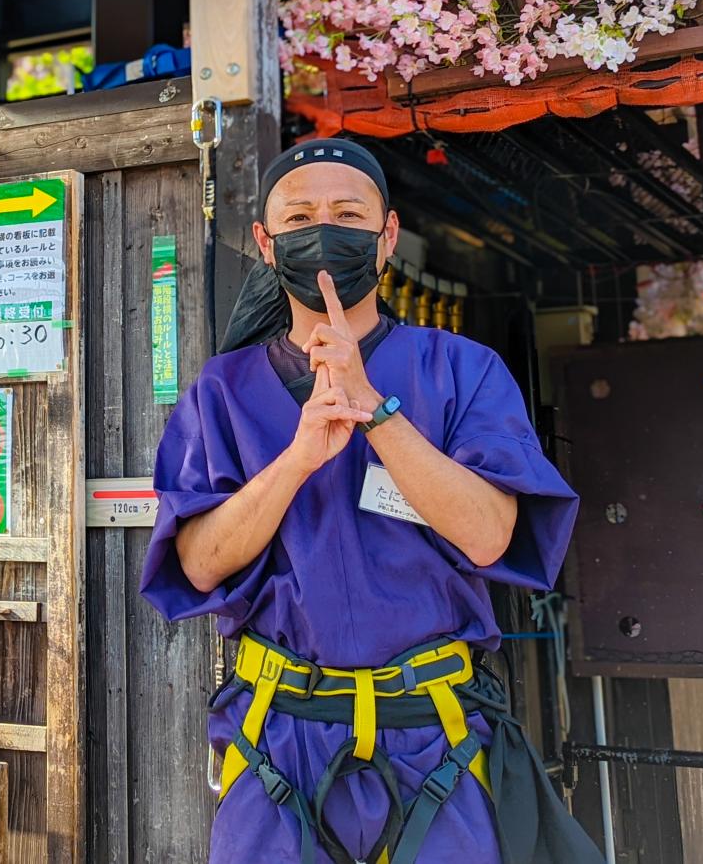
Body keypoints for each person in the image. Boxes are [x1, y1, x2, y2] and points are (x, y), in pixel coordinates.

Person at [141, 138, 601, 864]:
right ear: (266, 242)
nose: (323, 230)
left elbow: (489, 534)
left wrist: (377, 414)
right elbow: (197, 564)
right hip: (278, 738)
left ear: (386, 235)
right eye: (299, 217)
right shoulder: (222, 392)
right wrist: (296, 459)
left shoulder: (461, 370)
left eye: (348, 213)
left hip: (435, 734)